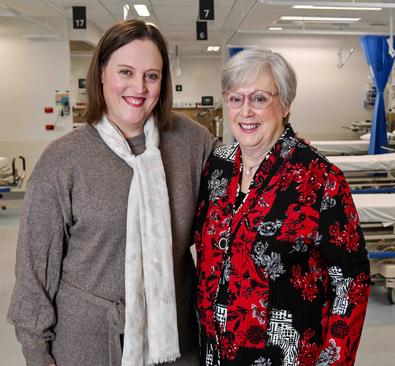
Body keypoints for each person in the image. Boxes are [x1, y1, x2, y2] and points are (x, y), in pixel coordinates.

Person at [7, 20, 214, 365]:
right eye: (126, 72)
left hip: (176, 344)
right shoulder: (62, 160)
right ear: (101, 72)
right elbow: (34, 274)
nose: (139, 87)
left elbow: (247, 183)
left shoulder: (192, 143)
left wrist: (285, 148)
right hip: (90, 346)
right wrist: (37, 354)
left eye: (151, 75)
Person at [193, 48, 370, 366]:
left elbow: (351, 281)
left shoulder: (319, 178)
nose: (245, 111)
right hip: (215, 353)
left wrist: (333, 361)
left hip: (287, 356)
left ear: (285, 104)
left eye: (259, 99)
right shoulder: (216, 167)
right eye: (236, 99)